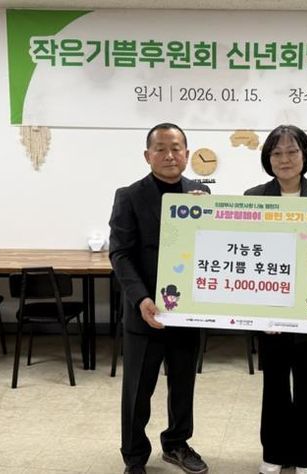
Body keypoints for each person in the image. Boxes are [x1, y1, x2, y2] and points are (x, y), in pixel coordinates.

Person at [244, 125, 307, 474]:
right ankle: (274, 453)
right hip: (269, 306)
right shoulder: (254, 197)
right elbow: (247, 252)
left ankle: (306, 457)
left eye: (292, 152)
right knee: (273, 382)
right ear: (267, 159)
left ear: (305, 155)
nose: (284, 159)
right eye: (276, 153)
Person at [109, 123, 209, 474]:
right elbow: (120, 254)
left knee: (182, 384)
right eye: (161, 148)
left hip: (186, 311)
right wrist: (140, 299)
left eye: (176, 148)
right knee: (138, 390)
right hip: (145, 311)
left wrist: (209, 217)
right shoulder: (129, 196)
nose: (169, 155)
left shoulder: (200, 194)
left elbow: (211, 249)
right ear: (147, 155)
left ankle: (177, 443)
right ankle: (134, 456)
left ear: (187, 153)